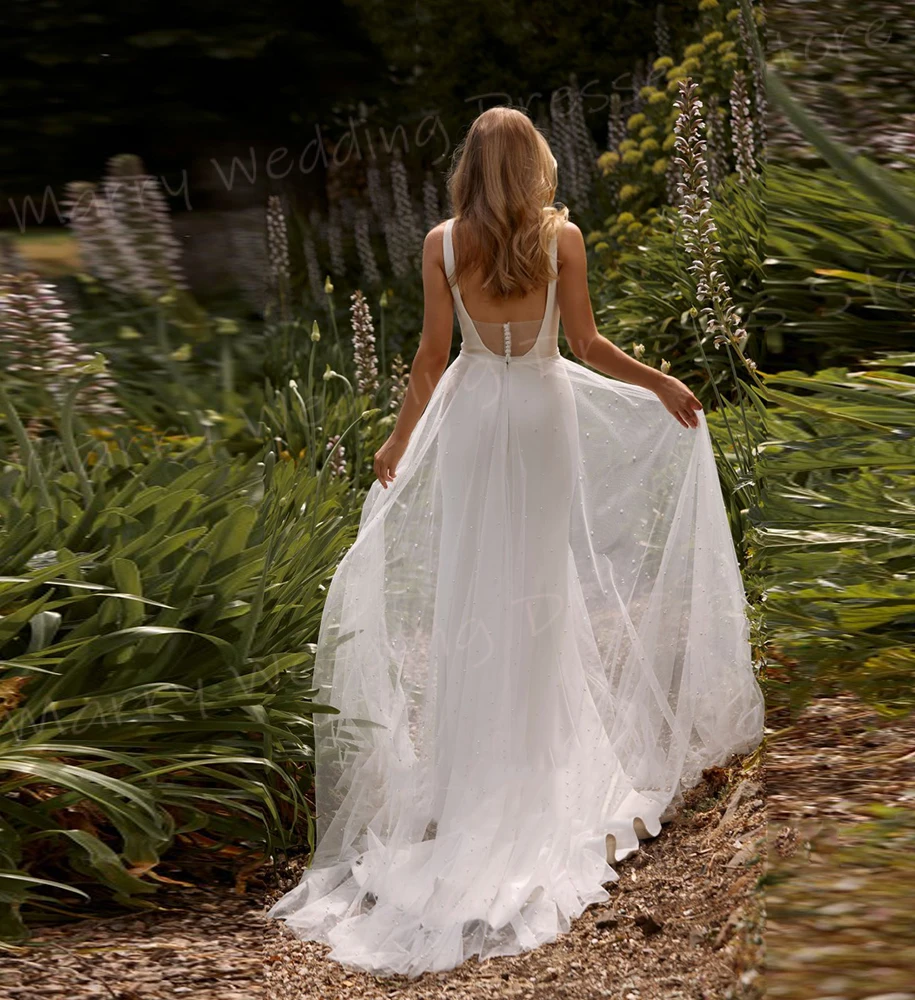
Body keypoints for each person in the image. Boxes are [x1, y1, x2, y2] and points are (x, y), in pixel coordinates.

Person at [268, 106, 764, 979]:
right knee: (538, 586)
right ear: (533, 162)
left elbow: (429, 357)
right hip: (541, 412)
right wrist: (661, 383)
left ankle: (472, 786)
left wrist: (394, 442)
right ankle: (534, 770)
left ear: (468, 167)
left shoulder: (440, 242)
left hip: (471, 415)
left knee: (473, 589)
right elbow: (585, 344)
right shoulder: (560, 237)